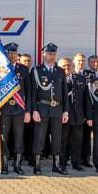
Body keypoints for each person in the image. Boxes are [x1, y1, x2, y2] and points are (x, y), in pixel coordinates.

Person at [30, 44, 70, 174]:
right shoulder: (36, 70)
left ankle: (56, 165)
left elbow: (65, 93)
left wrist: (66, 111)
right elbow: (33, 93)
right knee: (39, 137)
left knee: (57, 138)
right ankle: (37, 165)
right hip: (42, 108)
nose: (51, 56)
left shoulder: (60, 71)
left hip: (57, 109)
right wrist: (34, 110)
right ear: (43, 54)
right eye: (49, 54)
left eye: (53, 54)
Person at [0, 43, 31, 174]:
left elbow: (29, 92)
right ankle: (4, 165)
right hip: (4, 110)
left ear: (17, 55)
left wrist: (28, 111)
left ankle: (17, 164)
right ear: (5, 54)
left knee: (19, 138)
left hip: (19, 110)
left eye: (14, 53)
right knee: (4, 137)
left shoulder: (23, 69)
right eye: (9, 53)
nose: (12, 55)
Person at [59, 57, 87, 172]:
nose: (67, 67)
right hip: (63, 116)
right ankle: (62, 163)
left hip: (78, 116)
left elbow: (86, 99)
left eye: (69, 65)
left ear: (72, 66)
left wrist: (87, 115)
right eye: (64, 65)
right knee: (63, 141)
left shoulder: (80, 78)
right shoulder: (57, 79)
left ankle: (76, 163)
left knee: (77, 141)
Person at [73, 52, 94, 168]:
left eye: (83, 61)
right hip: (74, 111)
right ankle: (74, 158)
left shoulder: (90, 74)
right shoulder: (70, 73)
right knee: (75, 137)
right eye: (79, 60)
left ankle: (86, 159)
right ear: (74, 61)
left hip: (87, 110)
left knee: (87, 137)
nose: (81, 63)